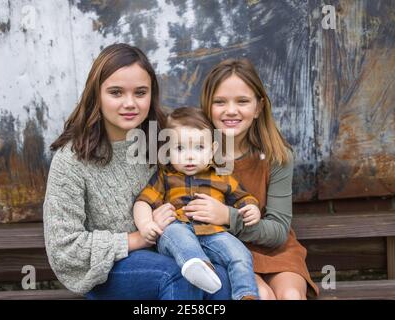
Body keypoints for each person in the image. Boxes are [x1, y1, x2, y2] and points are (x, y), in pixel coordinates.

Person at [43, 43, 231, 299]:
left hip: (171, 250)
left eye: (140, 92)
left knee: (218, 277)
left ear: (151, 95)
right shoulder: (72, 160)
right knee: (178, 277)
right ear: (96, 95)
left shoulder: (163, 140)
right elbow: (64, 248)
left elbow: (206, 167)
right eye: (116, 92)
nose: (129, 103)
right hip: (109, 272)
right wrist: (139, 238)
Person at [195, 58, 319, 299]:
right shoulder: (194, 156)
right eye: (219, 102)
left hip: (274, 249)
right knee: (260, 295)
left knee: (291, 295)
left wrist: (228, 217)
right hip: (226, 252)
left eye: (242, 101)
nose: (231, 110)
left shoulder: (276, 156)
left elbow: (278, 232)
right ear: (207, 106)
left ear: (259, 106)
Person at [133, 107, 260, 300]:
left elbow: (243, 197)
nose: (189, 156)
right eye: (180, 148)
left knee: (240, 254)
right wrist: (145, 224)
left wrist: (251, 208)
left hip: (214, 233)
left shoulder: (222, 175)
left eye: (199, 148)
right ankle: (200, 266)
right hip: (178, 229)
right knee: (176, 234)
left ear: (213, 150)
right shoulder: (166, 176)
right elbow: (143, 202)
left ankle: (246, 295)